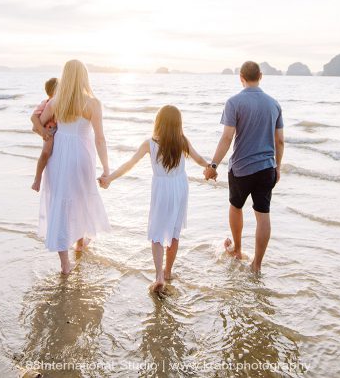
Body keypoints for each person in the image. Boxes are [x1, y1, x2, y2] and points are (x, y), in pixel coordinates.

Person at [99, 105, 211, 292]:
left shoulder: (150, 143)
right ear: (178, 124)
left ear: (158, 122)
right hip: (180, 188)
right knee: (174, 233)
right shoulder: (182, 141)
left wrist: (110, 178)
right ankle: (168, 272)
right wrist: (210, 167)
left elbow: (129, 164)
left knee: (157, 232)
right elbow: (199, 158)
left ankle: (159, 276)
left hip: (162, 189)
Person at [204, 61, 284, 274]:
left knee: (236, 206)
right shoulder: (274, 104)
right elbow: (280, 142)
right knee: (263, 214)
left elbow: (227, 137)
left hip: (241, 168)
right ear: (260, 75)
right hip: (267, 167)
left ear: (241, 77)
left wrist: (213, 165)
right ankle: (257, 265)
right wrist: (277, 167)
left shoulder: (234, 102)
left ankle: (238, 250)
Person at [38, 60, 111, 274]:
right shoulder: (93, 103)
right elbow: (100, 139)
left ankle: (65, 264)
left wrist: (50, 133)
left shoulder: (55, 102)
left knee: (61, 200)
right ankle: (79, 243)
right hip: (82, 155)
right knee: (80, 197)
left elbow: (41, 125)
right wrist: (106, 169)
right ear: (84, 77)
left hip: (60, 156)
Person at [30, 77, 59, 192]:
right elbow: (33, 117)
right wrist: (42, 130)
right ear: (53, 91)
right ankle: (37, 179)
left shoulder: (60, 102)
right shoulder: (46, 103)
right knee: (46, 153)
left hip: (56, 131)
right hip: (49, 131)